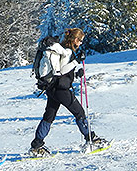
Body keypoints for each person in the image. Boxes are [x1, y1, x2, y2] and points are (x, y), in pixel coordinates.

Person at [29, 28, 106, 157]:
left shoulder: (61, 48)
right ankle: (91, 140)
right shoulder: (67, 51)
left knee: (49, 116)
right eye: (80, 40)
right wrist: (77, 61)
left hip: (52, 88)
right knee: (79, 112)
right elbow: (63, 70)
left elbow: (60, 70)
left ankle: (37, 145)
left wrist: (75, 74)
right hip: (61, 90)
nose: (81, 43)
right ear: (75, 39)